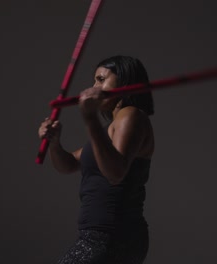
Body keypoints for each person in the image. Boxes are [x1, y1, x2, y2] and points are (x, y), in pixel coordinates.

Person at [38, 55, 154, 264]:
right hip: (100, 236)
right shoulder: (109, 130)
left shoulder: (131, 115)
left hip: (114, 236)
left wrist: (89, 118)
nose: (93, 87)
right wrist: (55, 143)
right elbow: (70, 164)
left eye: (101, 80)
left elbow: (116, 173)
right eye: (94, 80)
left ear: (124, 82)